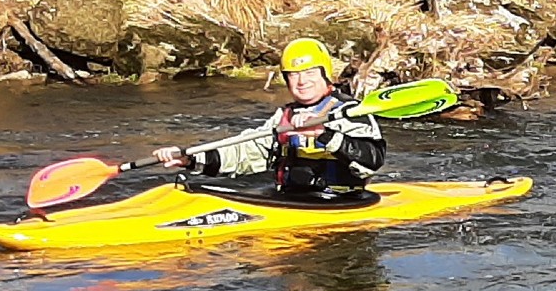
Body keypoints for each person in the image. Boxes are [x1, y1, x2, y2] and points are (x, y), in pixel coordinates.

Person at [155, 38, 386, 195]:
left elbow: (372, 161)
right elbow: (245, 153)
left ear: (325, 74)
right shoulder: (283, 117)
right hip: (290, 200)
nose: (302, 81)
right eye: (293, 75)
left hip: (340, 204)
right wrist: (191, 159)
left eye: (309, 72)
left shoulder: (351, 112)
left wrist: (324, 135)